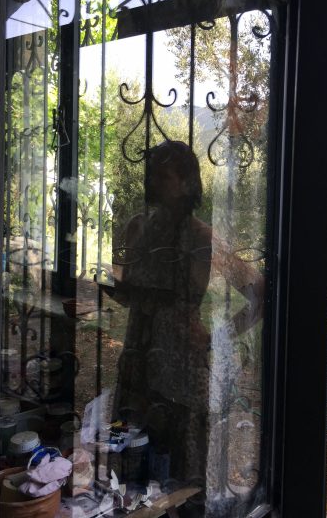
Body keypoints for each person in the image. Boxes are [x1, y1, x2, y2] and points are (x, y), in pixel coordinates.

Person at [99, 140, 264, 513]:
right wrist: (105, 285)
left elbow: (259, 293)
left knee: (182, 476)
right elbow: (130, 295)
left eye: (164, 175)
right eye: (152, 173)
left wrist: (217, 336)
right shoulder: (137, 227)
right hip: (137, 360)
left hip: (182, 372)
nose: (153, 181)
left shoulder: (203, 238)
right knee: (126, 459)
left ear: (187, 182)